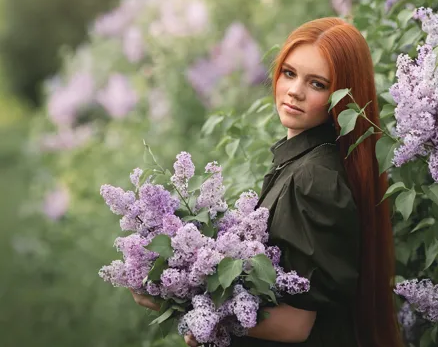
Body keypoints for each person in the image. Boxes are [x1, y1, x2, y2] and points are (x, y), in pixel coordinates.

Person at [132, 17, 403, 347]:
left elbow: (296, 324)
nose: (294, 91)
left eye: (317, 84)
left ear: (341, 98)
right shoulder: (303, 162)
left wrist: (178, 300)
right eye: (289, 73)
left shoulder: (314, 178)